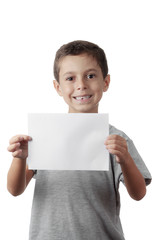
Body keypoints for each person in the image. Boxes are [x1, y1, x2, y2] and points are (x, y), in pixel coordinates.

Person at [7, 40, 152, 240]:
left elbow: (139, 194)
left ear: (106, 82)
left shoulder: (116, 140)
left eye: (90, 76)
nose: (81, 85)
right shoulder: (44, 135)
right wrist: (20, 158)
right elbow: (15, 190)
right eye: (70, 78)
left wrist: (125, 159)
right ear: (58, 87)